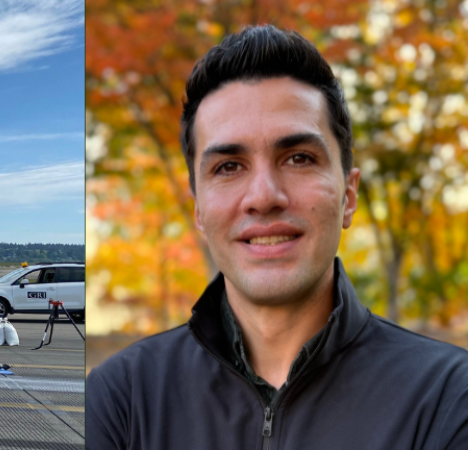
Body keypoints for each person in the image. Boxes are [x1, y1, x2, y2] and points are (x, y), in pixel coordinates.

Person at [86, 25, 468, 449]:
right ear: (198, 208)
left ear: (348, 195)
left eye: (299, 158)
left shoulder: (448, 399)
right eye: (228, 167)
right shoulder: (121, 399)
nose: (264, 196)